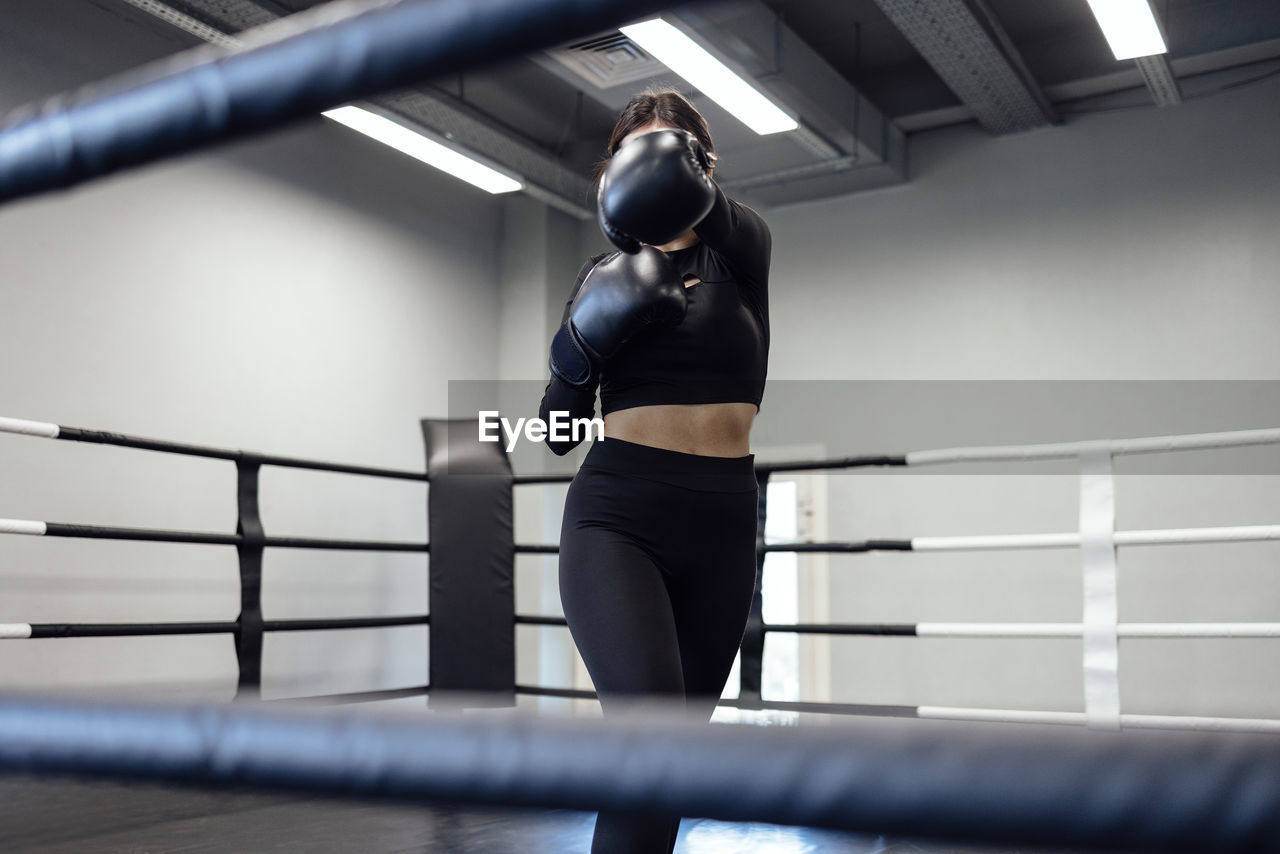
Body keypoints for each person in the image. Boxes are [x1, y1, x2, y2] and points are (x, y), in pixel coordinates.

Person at [538, 87, 771, 854]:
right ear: (613, 173)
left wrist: (677, 173)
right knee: (647, 748)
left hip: (725, 522)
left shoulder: (743, 251)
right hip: (619, 519)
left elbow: (717, 212)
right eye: (639, 150)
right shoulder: (600, 276)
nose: (656, 167)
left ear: (702, 166)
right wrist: (585, 338)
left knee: (670, 766)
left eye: (674, 149)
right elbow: (554, 433)